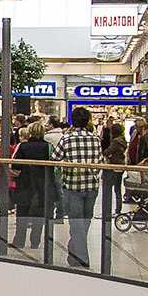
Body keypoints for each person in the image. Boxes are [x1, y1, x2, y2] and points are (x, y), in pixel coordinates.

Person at [54, 107, 103, 268]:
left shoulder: (67, 139)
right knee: (85, 220)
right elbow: (100, 161)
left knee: (76, 222)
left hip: (73, 185)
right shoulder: (94, 139)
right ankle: (75, 247)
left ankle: (82, 257)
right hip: (92, 185)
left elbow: (54, 158)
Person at [11, 124, 52, 248]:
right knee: (39, 213)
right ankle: (35, 242)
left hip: (25, 183)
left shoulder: (23, 146)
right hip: (42, 184)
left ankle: (19, 240)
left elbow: (16, 164)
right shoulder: (48, 146)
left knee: (22, 212)